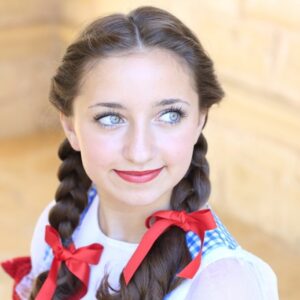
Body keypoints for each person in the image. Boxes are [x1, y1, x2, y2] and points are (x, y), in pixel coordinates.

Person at [1, 5, 279, 300]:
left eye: (170, 115)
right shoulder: (57, 226)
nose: (139, 151)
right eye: (110, 118)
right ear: (70, 127)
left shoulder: (224, 284)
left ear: (200, 119)